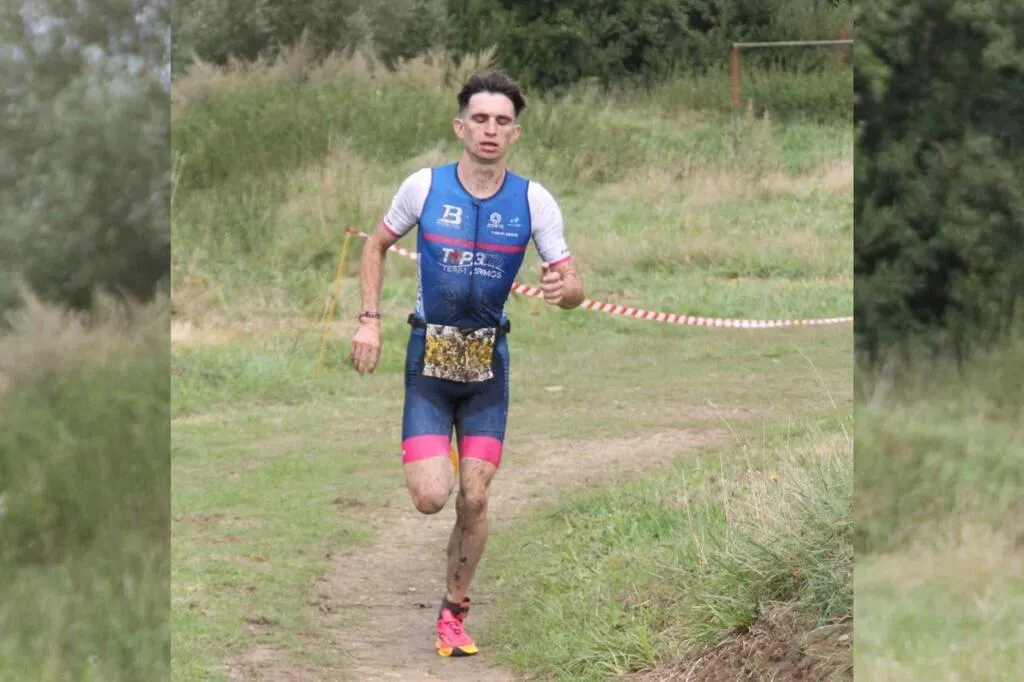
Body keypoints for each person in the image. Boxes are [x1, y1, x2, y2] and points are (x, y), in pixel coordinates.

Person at [348, 71, 585, 658]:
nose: (490, 130)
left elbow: (574, 283)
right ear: (461, 126)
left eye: (502, 121)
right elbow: (374, 244)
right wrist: (369, 320)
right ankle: (441, 451)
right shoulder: (423, 188)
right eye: (480, 119)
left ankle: (454, 610)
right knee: (432, 497)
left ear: (516, 134)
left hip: (487, 362)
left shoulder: (534, 200)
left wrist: (566, 290)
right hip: (429, 356)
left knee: (474, 498)